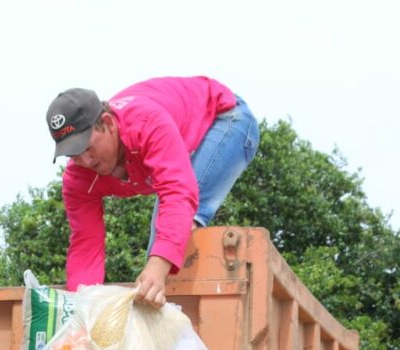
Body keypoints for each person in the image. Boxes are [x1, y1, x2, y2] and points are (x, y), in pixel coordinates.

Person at [45, 76, 260, 307]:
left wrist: (157, 268)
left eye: (88, 148)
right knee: (160, 254)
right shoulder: (78, 178)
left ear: (108, 123)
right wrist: (81, 308)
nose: (85, 161)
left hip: (227, 119)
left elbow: (178, 191)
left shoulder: (146, 123)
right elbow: (86, 243)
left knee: (165, 248)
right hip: (183, 142)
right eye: (74, 155)